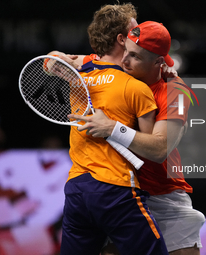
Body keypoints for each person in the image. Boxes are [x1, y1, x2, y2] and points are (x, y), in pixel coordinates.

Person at [69, 21, 205, 255]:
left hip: (164, 197)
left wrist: (113, 128)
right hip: (121, 196)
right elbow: (55, 59)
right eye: (125, 52)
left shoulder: (175, 92)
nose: (123, 61)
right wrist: (54, 64)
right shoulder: (120, 70)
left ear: (158, 63)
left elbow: (160, 148)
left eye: (134, 57)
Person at [49, 4, 168, 255]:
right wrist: (116, 129)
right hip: (116, 191)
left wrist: (53, 58)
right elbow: (156, 151)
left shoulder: (80, 74)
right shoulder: (136, 88)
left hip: (77, 191)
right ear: (122, 39)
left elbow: (51, 62)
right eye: (136, 30)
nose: (141, 33)